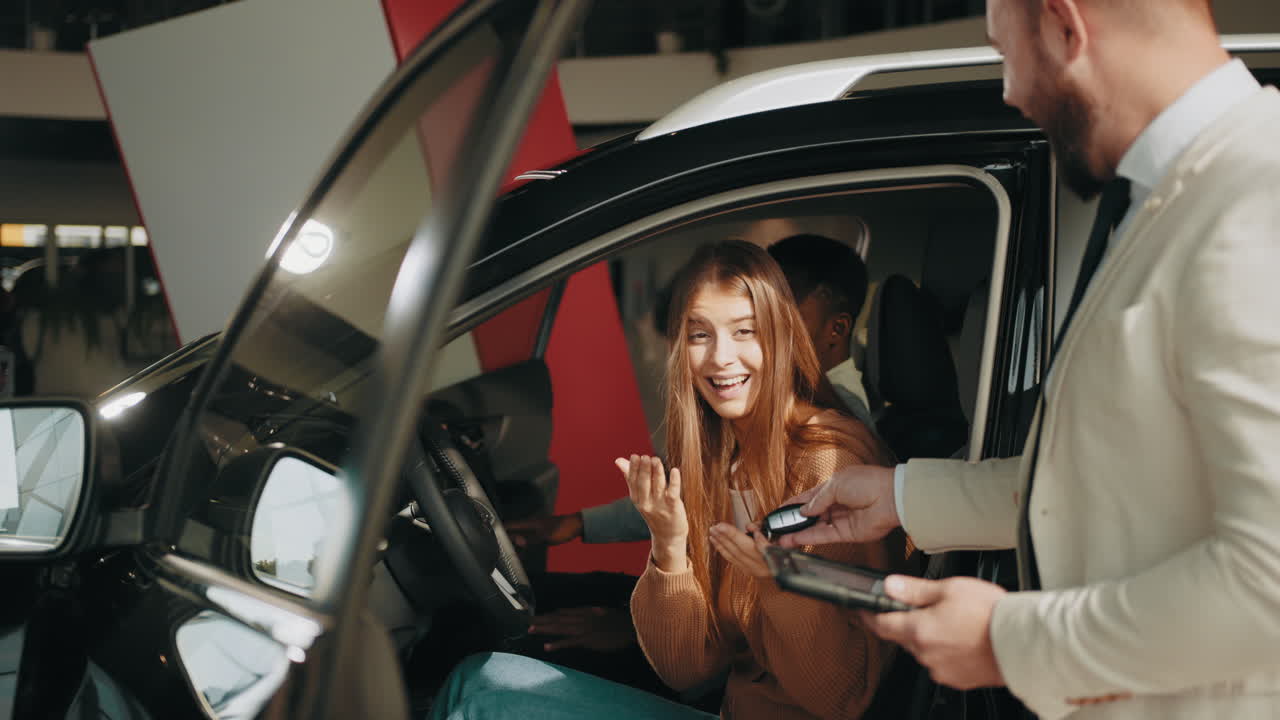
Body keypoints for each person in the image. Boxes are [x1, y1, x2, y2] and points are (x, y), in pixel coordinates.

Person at [781, 1, 1280, 718]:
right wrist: (902, 498)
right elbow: (1120, 481)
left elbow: (1271, 580)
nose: (1010, 92)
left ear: (1064, 25)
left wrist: (1007, 642)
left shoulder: (1255, 202)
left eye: (1003, 54)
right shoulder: (1171, 200)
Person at [431, 240, 907, 720]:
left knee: (483, 707)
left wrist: (776, 582)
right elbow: (688, 671)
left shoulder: (830, 464)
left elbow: (842, 699)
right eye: (700, 334)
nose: (721, 358)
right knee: (475, 676)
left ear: (781, 337)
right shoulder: (725, 456)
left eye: (745, 332)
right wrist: (669, 546)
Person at [509, 233, 874, 661]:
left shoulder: (829, 443)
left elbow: (774, 615)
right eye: (701, 332)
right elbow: (694, 492)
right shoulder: (750, 417)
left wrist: (632, 628)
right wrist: (581, 525)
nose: (722, 355)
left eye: (751, 325)